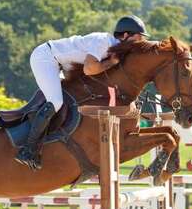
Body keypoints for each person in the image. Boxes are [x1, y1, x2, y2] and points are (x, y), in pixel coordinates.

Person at [15, 15, 154, 171]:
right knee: (56, 102)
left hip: (62, 64)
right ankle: (27, 149)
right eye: (139, 36)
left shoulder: (115, 49)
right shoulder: (104, 42)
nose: (141, 40)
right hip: (46, 58)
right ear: (126, 35)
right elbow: (89, 69)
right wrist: (110, 63)